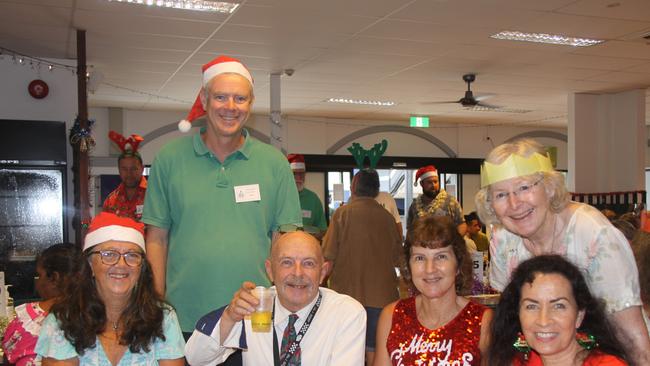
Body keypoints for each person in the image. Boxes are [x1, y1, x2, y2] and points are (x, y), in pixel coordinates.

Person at [143, 55, 302, 334]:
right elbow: (156, 238)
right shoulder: (169, 159)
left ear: (250, 105)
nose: (231, 107)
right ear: (204, 100)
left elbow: (285, 242)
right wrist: (156, 303)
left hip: (255, 317)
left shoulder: (275, 164)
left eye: (240, 99)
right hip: (184, 318)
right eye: (221, 97)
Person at [474, 138, 650, 365]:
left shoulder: (594, 236)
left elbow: (632, 338)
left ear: (548, 188)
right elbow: (514, 318)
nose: (514, 204)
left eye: (524, 188)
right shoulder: (502, 238)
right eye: (501, 195)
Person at [185, 231, 366, 365]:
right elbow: (196, 358)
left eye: (308, 263)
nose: (297, 273)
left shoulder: (346, 313)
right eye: (287, 262)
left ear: (323, 273)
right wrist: (229, 318)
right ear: (270, 270)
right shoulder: (256, 305)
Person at [35, 212, 185, 365]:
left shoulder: (162, 318)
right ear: (90, 264)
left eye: (132, 255)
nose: (121, 264)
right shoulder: (63, 321)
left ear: (142, 267)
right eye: (109, 254)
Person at [374, 216, 492, 366]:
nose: (430, 269)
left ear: (458, 264)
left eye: (441, 256)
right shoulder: (391, 316)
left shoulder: (483, 321)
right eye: (420, 258)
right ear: (408, 266)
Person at [323, 169, 403, 365]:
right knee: (376, 354)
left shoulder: (342, 214)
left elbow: (327, 256)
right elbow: (399, 259)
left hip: (347, 298)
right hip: (382, 300)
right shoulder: (388, 218)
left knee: (346, 354)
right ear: (376, 191)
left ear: (353, 187)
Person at [488, 255, 628, 366]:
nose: (544, 321)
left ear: (579, 315)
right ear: (518, 313)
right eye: (532, 306)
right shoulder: (516, 362)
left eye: (558, 306)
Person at [1, 243, 79, 366]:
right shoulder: (94, 315)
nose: (38, 282)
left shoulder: (26, 319)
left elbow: (8, 357)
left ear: (54, 278)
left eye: (39, 275)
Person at [102, 131, 147, 221]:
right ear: (119, 170)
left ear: (142, 168)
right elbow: (106, 230)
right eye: (124, 169)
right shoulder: (111, 201)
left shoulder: (154, 196)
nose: (129, 173)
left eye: (133, 168)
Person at [406, 165, 464, 232]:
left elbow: (462, 225)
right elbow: (410, 229)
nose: (433, 185)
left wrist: (454, 240)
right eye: (429, 182)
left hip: (447, 241)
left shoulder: (451, 202)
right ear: (422, 184)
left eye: (435, 182)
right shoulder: (415, 206)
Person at [287, 153, 327, 236]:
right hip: (285, 246)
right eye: (294, 174)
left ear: (305, 175)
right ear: (288, 175)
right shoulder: (281, 197)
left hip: (308, 246)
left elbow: (323, 230)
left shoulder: (313, 199)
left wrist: (308, 239)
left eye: (301, 174)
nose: (298, 178)